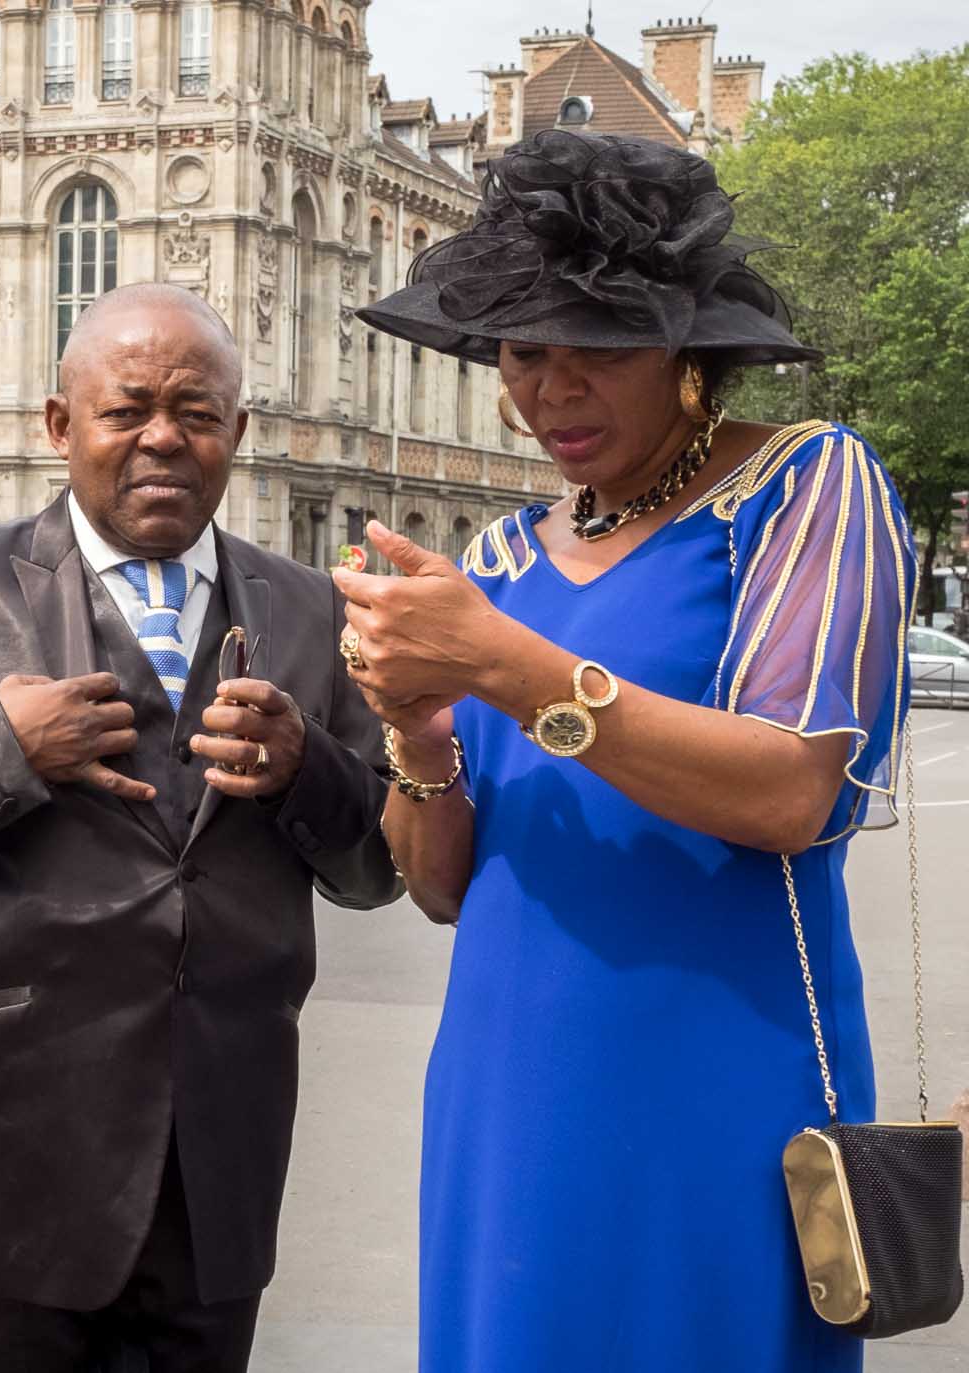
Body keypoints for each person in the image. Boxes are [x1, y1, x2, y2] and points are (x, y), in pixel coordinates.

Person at [347, 130, 917, 1373]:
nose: (549, 392)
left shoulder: (803, 487)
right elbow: (440, 885)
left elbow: (788, 789)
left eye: (593, 349)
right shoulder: (494, 559)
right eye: (519, 352)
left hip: (714, 1084)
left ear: (684, 350)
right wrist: (416, 727)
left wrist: (500, 663)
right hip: (503, 1085)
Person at [0, 282, 401, 1373]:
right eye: (128, 407)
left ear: (235, 433)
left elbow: (376, 866)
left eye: (196, 412)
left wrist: (308, 770)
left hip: (216, 1174)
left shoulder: (308, 606)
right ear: (61, 426)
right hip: (4, 1166)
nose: (163, 436)